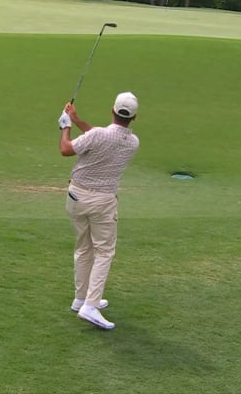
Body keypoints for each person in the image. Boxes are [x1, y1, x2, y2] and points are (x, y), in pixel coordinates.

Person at [58, 92, 140, 330]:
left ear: (112, 110)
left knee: (84, 246)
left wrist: (66, 126)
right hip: (102, 203)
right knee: (104, 252)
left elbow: (67, 147)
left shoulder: (97, 136)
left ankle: (81, 298)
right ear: (134, 117)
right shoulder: (133, 142)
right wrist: (75, 121)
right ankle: (91, 306)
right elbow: (102, 138)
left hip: (75, 197)